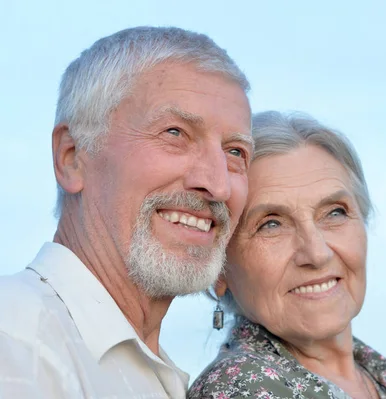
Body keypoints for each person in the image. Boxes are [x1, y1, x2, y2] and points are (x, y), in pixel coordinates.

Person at [0, 26, 254, 398]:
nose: (217, 184)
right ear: (72, 158)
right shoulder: (17, 340)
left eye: (235, 152)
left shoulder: (157, 374)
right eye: (174, 133)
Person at [188, 112, 386, 399]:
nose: (317, 253)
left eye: (335, 212)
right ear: (218, 269)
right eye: (271, 224)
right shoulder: (237, 388)